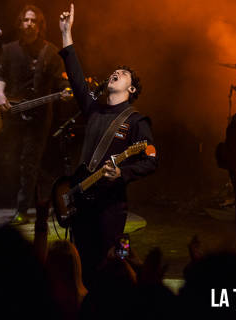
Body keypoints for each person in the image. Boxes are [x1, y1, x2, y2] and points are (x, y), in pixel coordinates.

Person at [58, 4, 158, 287]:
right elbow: (77, 79)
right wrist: (67, 35)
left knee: (116, 260)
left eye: (123, 73)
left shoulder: (137, 120)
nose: (116, 72)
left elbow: (151, 157)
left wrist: (122, 174)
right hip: (82, 199)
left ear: (132, 89)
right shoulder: (94, 110)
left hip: (111, 206)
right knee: (84, 264)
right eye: (115, 70)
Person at [0, 5, 69, 224]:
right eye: (25, 20)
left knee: (30, 161)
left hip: (39, 117)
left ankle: (22, 209)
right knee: (17, 161)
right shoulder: (8, 50)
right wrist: (0, 94)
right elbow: (0, 74)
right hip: (12, 114)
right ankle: (31, 202)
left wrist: (66, 90)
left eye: (33, 21)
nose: (29, 24)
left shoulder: (51, 52)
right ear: (20, 23)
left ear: (39, 26)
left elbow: (62, 79)